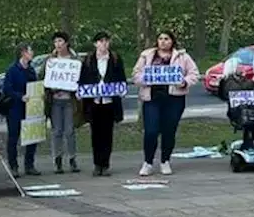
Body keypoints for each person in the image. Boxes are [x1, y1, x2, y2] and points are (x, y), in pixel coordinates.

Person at [132, 31, 200, 177]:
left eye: (166, 39)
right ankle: (148, 162)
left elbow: (194, 73)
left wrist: (184, 82)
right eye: (160, 39)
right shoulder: (146, 56)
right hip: (152, 98)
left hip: (174, 99)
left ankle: (165, 160)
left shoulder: (182, 57)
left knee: (169, 130)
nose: (163, 42)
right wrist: (146, 79)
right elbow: (136, 74)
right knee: (151, 131)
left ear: (172, 41)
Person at [79, 31, 126, 176]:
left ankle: (105, 164)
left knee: (107, 134)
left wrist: (120, 89)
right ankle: (96, 164)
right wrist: (82, 91)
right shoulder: (88, 60)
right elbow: (83, 79)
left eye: (106, 41)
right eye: (100, 41)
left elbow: (121, 78)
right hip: (94, 102)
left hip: (109, 102)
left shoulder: (115, 59)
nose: (104, 44)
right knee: (96, 134)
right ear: (95, 44)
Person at [45, 32, 81, 174]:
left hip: (69, 100)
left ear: (66, 43)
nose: (58, 44)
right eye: (56, 42)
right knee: (56, 131)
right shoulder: (50, 60)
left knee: (70, 130)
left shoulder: (75, 60)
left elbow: (80, 77)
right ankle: (57, 160)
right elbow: (44, 77)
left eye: (60, 41)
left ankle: (72, 159)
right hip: (55, 100)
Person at [2, 44, 41, 176]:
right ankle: (13, 166)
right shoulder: (12, 70)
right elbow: (7, 89)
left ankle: (29, 164)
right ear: (23, 53)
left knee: (32, 136)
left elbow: (34, 85)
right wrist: (20, 96)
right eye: (30, 51)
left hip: (30, 107)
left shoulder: (31, 70)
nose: (32, 53)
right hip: (15, 108)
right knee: (14, 136)